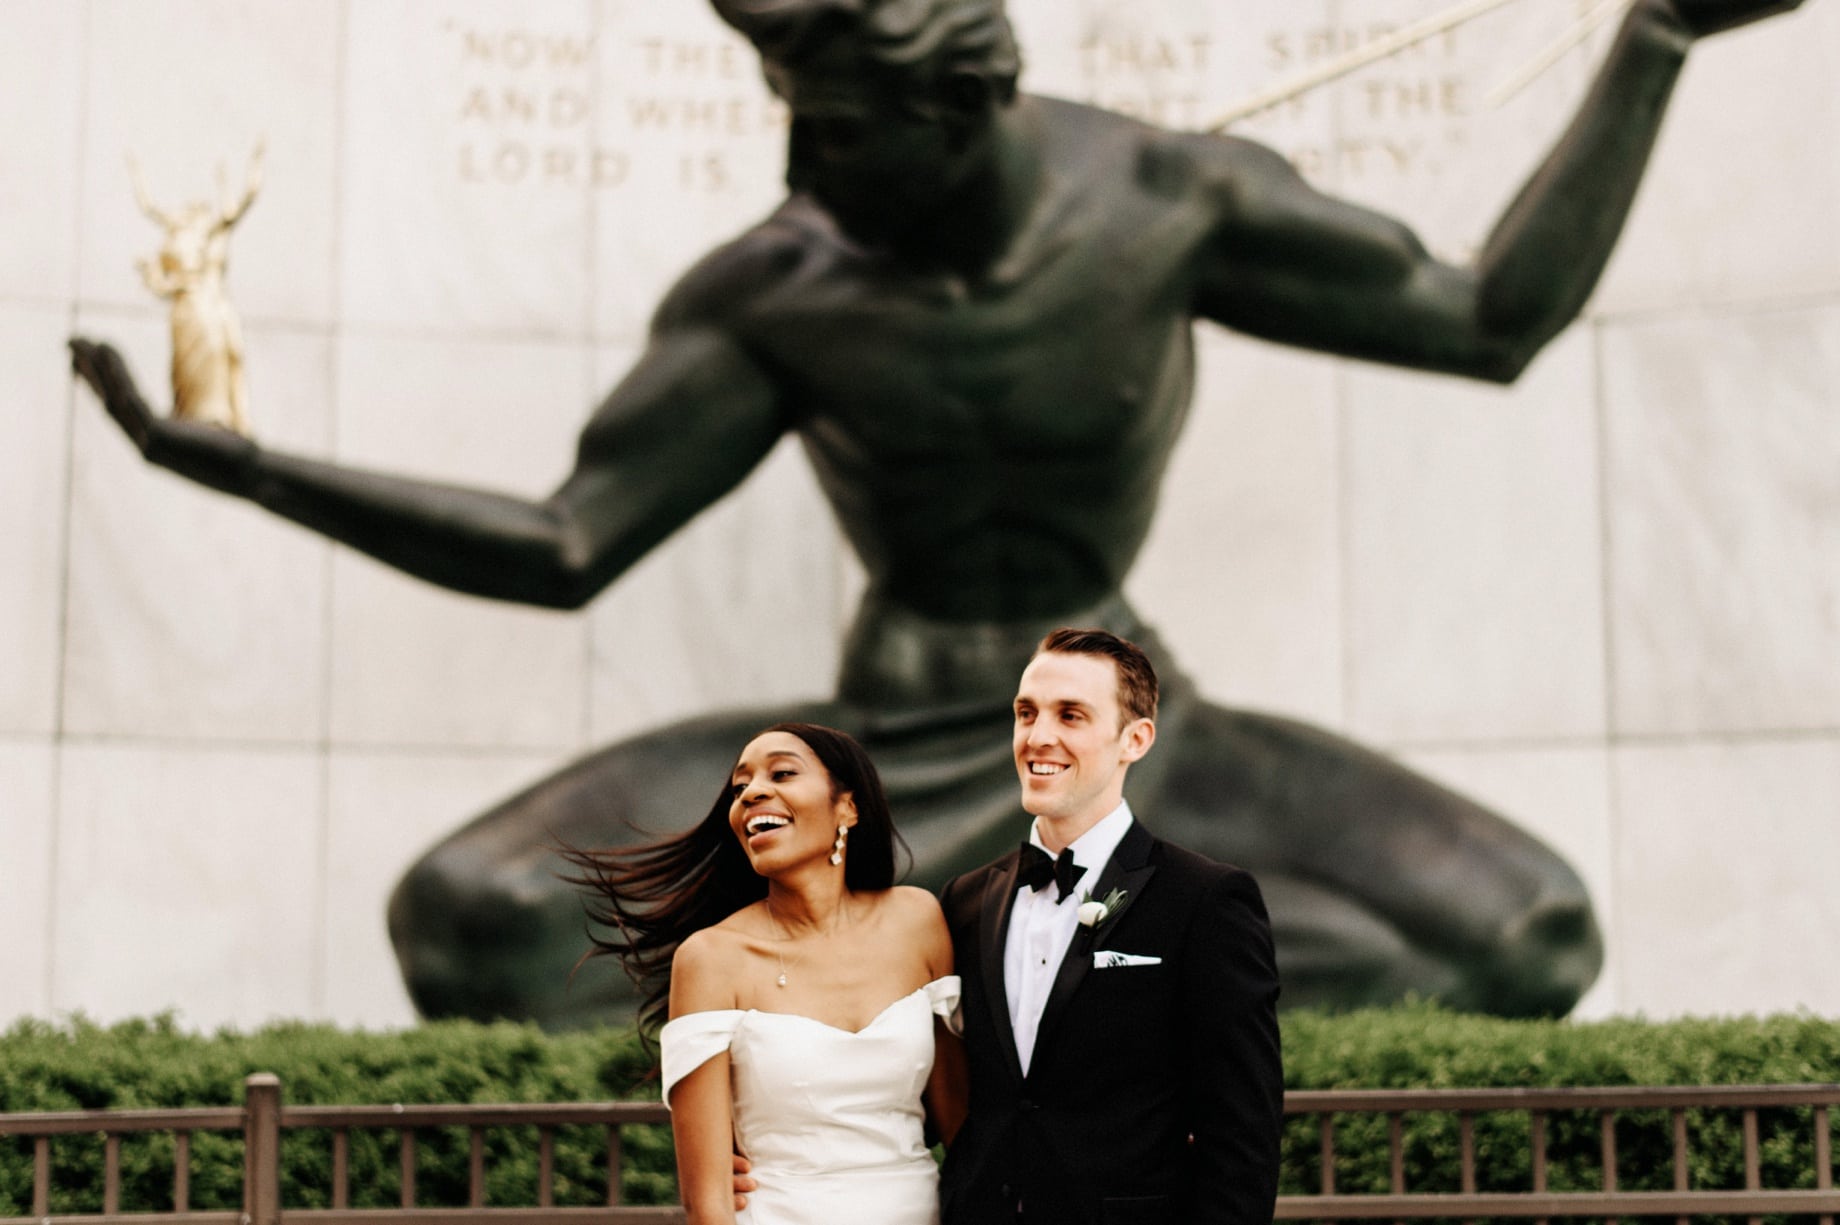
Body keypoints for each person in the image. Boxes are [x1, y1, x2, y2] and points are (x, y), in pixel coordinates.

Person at [68, 0, 1808, 1025]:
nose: (793, 171)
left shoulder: (1164, 203)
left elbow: (1492, 322)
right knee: (462, 918)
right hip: (882, 752)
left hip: (1129, 729)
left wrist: (1651, 39)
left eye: (824, 130)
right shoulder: (780, 284)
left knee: (1530, 934)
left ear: (950, 110)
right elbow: (566, 542)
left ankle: (957, 1003)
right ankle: (1019, 992)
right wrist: (240, 462)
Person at [936, 628, 1281, 1224]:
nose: (1039, 736)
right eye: (1026, 713)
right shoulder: (967, 900)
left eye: (1071, 715)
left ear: (1135, 739)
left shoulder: (1206, 900)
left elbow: (1243, 1135)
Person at [563, 721, 967, 1225]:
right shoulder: (711, 959)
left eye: (781, 773)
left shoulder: (917, 920)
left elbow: (963, 1130)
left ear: (848, 806)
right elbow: (708, 1200)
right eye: (740, 787)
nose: (753, 792)